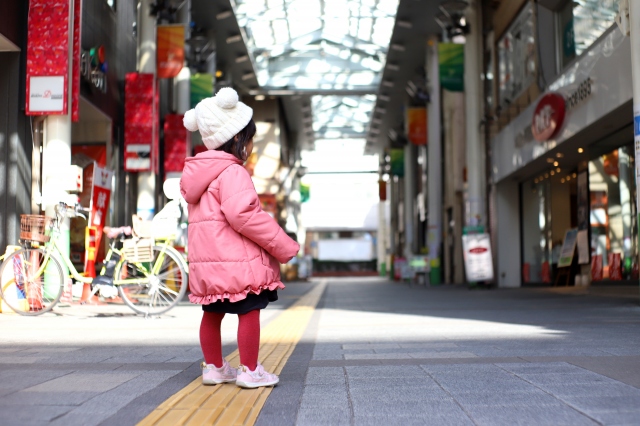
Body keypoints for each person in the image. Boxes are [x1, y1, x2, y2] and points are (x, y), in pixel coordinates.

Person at [180, 88, 300, 389]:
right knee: (249, 310)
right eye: (248, 138)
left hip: (210, 265)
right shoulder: (231, 172)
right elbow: (243, 215)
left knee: (212, 311)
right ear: (236, 138)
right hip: (238, 263)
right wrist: (283, 245)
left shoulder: (198, 175)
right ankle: (250, 370)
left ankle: (215, 368)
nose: (250, 145)